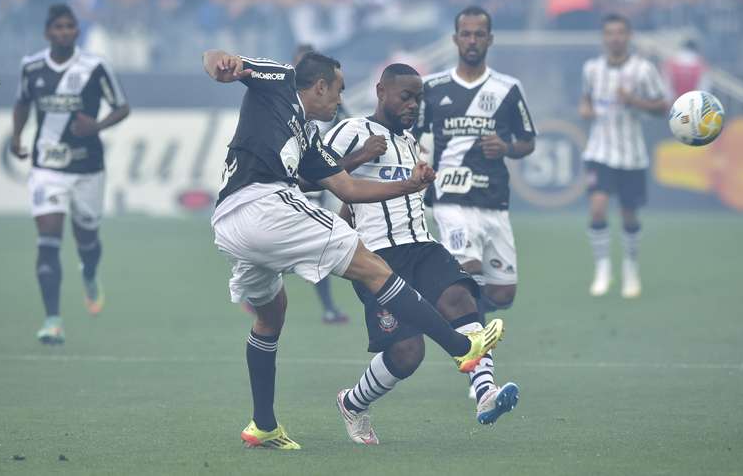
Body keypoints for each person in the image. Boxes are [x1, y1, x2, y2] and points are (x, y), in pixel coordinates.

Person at [203, 49, 505, 450]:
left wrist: (407, 187)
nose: (340, 100)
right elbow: (216, 58)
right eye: (338, 90)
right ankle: (463, 350)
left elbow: (348, 188)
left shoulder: (308, 138)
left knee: (270, 317)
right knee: (371, 266)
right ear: (321, 85)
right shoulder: (280, 80)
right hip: (263, 204)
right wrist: (221, 66)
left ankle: (263, 425)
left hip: (231, 224)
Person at [325, 63, 519, 445]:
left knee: (459, 297)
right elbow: (314, 172)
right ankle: (352, 402)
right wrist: (361, 156)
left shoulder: (411, 141)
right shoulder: (353, 131)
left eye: (418, 98)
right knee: (407, 353)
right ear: (381, 91)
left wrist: (423, 183)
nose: (413, 104)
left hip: (422, 245)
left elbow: (385, 192)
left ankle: (485, 395)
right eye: (405, 96)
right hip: (378, 259)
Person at [10, 4, 130, 344]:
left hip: (87, 167)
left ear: (77, 31)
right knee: (48, 240)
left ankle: (89, 273)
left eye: (70, 27)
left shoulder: (95, 66)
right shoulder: (31, 66)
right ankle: (52, 320)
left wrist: (97, 125)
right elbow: (21, 102)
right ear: (48, 32)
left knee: (87, 240)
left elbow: (122, 107)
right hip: (47, 167)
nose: (64, 32)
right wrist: (17, 136)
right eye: (58, 27)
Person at [413, 6, 536, 324]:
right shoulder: (432, 87)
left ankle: (443, 307)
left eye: (478, 34)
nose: (472, 40)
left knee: (502, 294)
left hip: (494, 201)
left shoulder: (508, 88)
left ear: (490, 39)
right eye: (465, 34)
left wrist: (506, 147)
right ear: (455, 39)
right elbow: (414, 138)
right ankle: (480, 364)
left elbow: (528, 141)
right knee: (468, 270)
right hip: (450, 200)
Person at [578, 13, 668, 298]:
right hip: (599, 151)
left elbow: (662, 106)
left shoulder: (643, 70)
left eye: (620, 32)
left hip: (631, 154)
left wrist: (633, 101)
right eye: (609, 32)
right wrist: (585, 110)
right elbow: (586, 100)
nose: (615, 37)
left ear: (628, 36)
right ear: (604, 37)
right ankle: (602, 269)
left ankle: (630, 267)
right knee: (598, 207)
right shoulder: (592, 68)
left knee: (629, 215)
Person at [293, 44, 350, 324]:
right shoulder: (282, 101)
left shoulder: (332, 107)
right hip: (297, 182)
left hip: (320, 178)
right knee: (316, 245)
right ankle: (328, 308)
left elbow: (349, 124)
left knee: (313, 246)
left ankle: (258, 289)